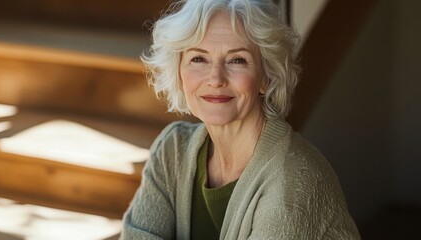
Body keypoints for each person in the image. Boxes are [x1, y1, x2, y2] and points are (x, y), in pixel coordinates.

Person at [121, 0, 361, 239]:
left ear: (266, 77)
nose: (215, 79)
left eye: (237, 60)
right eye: (199, 59)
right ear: (179, 74)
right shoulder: (173, 150)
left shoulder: (295, 177)